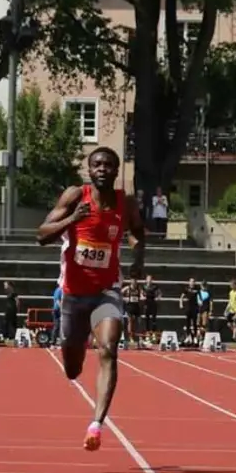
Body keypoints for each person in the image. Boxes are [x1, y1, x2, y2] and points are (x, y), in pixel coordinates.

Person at [36, 147, 146, 450]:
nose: (102, 169)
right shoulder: (75, 196)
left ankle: (96, 424)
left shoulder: (126, 203)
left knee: (110, 349)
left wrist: (138, 253)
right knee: (72, 369)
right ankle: (79, 340)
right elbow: (42, 234)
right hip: (72, 293)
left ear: (115, 170)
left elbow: (138, 232)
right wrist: (73, 218)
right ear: (89, 168)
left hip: (106, 291)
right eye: (97, 164)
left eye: (108, 165)